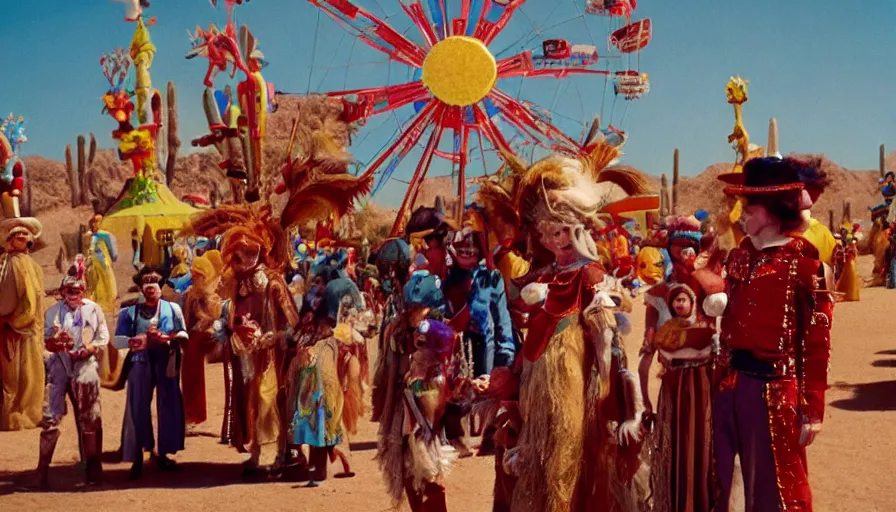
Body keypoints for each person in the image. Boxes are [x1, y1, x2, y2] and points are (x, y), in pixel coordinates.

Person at [508, 142, 648, 512]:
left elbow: (609, 321)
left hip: (572, 369)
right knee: (542, 437)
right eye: (549, 234)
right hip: (539, 366)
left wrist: (603, 377)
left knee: (571, 443)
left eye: (562, 233)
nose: (556, 241)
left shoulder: (589, 272)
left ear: (577, 231)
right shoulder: (546, 274)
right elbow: (518, 299)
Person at [714, 157, 834, 511]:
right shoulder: (738, 257)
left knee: (775, 489)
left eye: (748, 208)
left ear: (771, 210)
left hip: (774, 393)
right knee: (723, 479)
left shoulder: (807, 265)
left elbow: (817, 344)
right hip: (729, 386)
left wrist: (812, 411)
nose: (740, 217)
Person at [36, 271, 109, 487]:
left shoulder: (93, 309)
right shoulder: (53, 313)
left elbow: (102, 336)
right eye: (70, 290)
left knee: (91, 415)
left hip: (85, 364)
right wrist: (56, 343)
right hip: (59, 364)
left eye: (77, 290)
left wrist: (88, 349)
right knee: (51, 415)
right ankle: (41, 473)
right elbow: (47, 341)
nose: (74, 294)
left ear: (83, 291)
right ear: (62, 292)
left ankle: (93, 469)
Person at [115, 266, 188, 480]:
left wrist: (170, 337)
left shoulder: (173, 308)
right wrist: (132, 341)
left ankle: (164, 453)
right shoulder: (129, 312)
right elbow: (117, 339)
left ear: (160, 288)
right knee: (137, 405)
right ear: (141, 290)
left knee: (168, 403)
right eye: (147, 287)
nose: (151, 291)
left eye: (154, 287)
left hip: (166, 360)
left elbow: (183, 332)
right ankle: (138, 453)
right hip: (140, 360)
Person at [0, 212, 45, 431]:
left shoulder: (30, 266)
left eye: (25, 237)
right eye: (17, 236)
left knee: (29, 375)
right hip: (10, 326)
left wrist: (13, 321)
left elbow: (32, 301)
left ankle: (26, 413)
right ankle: (11, 414)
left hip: (22, 327)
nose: (22, 240)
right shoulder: (7, 263)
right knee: (12, 376)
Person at [181, 250, 225, 427]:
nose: (193, 277)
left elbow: (213, 316)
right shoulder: (191, 292)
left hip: (199, 338)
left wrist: (200, 323)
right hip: (189, 337)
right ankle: (189, 412)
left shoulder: (210, 296)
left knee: (195, 376)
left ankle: (195, 414)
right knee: (187, 375)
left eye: (196, 274)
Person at [83, 213, 119, 314]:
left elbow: (112, 249)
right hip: (92, 263)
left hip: (103, 261)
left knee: (107, 283)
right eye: (94, 221)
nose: (95, 224)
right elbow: (86, 250)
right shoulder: (88, 236)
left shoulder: (106, 235)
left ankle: (108, 304)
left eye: (98, 221)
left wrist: (112, 257)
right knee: (94, 283)